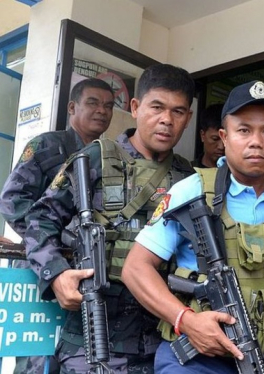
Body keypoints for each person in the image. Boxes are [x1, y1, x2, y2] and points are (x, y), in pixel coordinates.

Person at [123, 80, 264, 374]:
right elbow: (135, 268)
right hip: (198, 363)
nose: (256, 141)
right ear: (224, 136)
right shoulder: (192, 189)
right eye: (244, 130)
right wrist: (186, 320)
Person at [23, 64, 196, 373]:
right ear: (135, 107)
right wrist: (56, 274)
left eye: (178, 111)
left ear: (188, 118)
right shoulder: (95, 158)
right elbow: (40, 219)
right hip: (94, 337)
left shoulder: (189, 178)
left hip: (164, 341)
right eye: (156, 107)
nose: (166, 120)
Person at [0, 77, 114, 374]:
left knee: (77, 352)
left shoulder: (109, 157)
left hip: (84, 270)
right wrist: (49, 243)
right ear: (72, 107)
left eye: (108, 105)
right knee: (37, 357)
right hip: (41, 268)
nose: (102, 110)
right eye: (93, 102)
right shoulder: (46, 145)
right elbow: (12, 200)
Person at [191, 103, 225, 168]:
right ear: (202, 135)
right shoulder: (188, 172)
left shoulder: (238, 175)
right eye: (215, 139)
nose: (221, 147)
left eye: (226, 139)